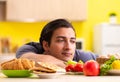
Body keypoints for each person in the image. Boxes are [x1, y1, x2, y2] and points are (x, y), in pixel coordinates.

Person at [16, 19, 98, 68]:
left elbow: (106, 61)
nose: (68, 47)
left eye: (72, 41)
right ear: (46, 45)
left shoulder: (81, 56)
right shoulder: (30, 48)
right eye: (61, 40)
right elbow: (25, 60)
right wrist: (74, 66)